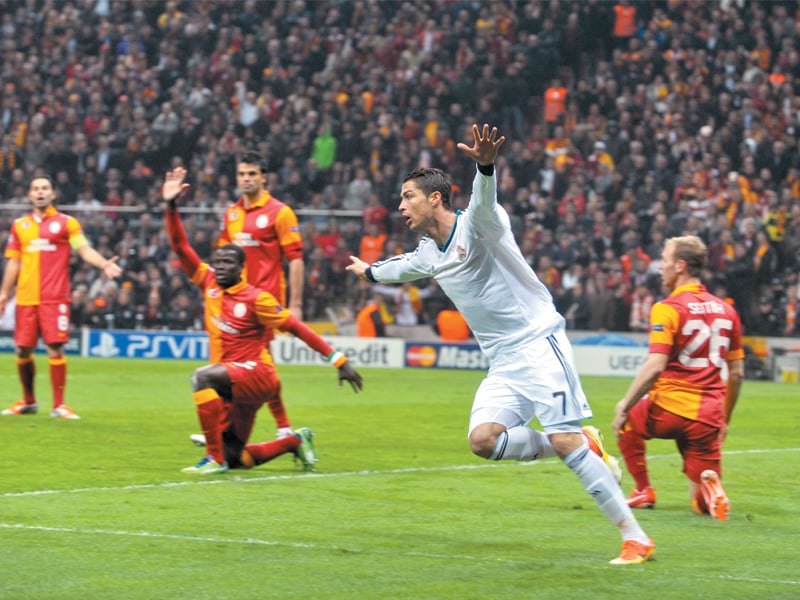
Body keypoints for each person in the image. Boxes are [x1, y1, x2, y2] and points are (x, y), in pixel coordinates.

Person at [347, 124, 654, 565]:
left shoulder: (480, 224)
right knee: (483, 440)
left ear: (435, 197)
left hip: (537, 342)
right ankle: (583, 439)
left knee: (567, 445)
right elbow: (398, 269)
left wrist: (485, 165)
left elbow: (484, 198)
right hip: (503, 362)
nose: (400, 206)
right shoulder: (427, 253)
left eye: (408, 196)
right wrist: (368, 272)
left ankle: (635, 537)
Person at [162, 167, 363, 474]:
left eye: (228, 263)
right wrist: (171, 207)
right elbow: (180, 247)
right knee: (237, 458)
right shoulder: (209, 284)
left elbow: (297, 329)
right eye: (217, 263)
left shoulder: (257, 299)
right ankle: (294, 442)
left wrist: (338, 359)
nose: (221, 268)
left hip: (257, 375)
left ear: (241, 267)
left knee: (201, 378)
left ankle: (212, 460)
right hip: (233, 383)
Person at [612, 235, 745, 521]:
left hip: (669, 408)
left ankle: (643, 489)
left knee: (626, 422)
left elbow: (655, 365)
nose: (661, 267)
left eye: (665, 260)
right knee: (699, 503)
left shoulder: (667, 308)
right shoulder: (728, 311)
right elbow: (737, 373)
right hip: (708, 415)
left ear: (680, 266)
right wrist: (725, 419)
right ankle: (709, 490)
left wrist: (625, 403)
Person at [0, 174, 122, 419]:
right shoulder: (19, 226)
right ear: (29, 195)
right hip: (25, 298)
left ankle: (58, 405)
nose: (40, 192)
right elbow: (13, 262)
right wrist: (4, 293)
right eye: (36, 188)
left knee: (55, 347)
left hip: (54, 298)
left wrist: (103, 264)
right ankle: (28, 401)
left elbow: (83, 249)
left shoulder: (67, 224)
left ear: (53, 194)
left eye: (45, 188)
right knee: (23, 350)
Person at [217, 150, 305, 436]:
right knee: (235, 364)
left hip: (264, 301)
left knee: (260, 362)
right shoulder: (231, 214)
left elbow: (295, 259)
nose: (246, 178)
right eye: (242, 173)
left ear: (264, 178)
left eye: (252, 173)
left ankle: (282, 427)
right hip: (234, 301)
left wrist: (296, 304)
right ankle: (231, 425)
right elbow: (222, 257)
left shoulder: (280, 212)